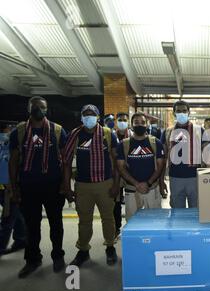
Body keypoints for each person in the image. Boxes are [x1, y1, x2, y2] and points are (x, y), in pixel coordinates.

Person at [9, 96, 67, 278]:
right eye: (35, 107)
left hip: (53, 186)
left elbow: (65, 160)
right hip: (28, 187)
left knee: (56, 223)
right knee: (31, 226)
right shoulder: (19, 132)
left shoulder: (57, 131)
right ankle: (32, 259)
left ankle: (58, 256)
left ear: (46, 109)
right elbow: (13, 162)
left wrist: (66, 184)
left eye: (42, 107)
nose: (38, 109)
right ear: (29, 109)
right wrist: (14, 188)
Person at [63, 104, 120, 267]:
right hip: (83, 185)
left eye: (92, 115)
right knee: (84, 220)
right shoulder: (75, 134)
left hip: (105, 183)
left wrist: (116, 184)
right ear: (81, 117)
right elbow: (66, 162)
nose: (89, 118)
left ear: (98, 117)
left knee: (108, 218)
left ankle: (110, 247)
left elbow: (116, 162)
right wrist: (67, 187)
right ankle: (83, 250)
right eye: (86, 115)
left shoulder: (108, 134)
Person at [117, 112, 165, 221]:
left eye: (143, 122)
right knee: (132, 222)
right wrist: (136, 184)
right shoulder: (123, 144)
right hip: (132, 189)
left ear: (147, 125)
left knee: (155, 220)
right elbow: (121, 168)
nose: (140, 125)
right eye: (136, 122)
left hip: (152, 188)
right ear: (131, 125)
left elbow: (160, 165)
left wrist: (148, 183)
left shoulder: (155, 142)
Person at [160, 100, 203, 208]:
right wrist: (161, 180)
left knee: (196, 210)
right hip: (175, 177)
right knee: (177, 212)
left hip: (195, 177)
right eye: (178, 111)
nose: (182, 113)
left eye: (184, 110)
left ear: (189, 112)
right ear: (174, 113)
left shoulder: (199, 130)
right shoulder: (168, 132)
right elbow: (163, 157)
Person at [0, 122, 27, 256]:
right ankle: (21, 239)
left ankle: (2, 245)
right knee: (15, 214)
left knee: (8, 216)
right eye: (10, 128)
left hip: (9, 187)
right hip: (8, 186)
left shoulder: (12, 145)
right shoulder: (7, 143)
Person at [113, 112, 133, 238]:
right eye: (120, 120)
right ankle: (116, 229)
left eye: (124, 120)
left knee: (132, 202)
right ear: (116, 121)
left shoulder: (133, 135)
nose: (122, 122)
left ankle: (131, 228)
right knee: (116, 202)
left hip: (130, 174)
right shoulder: (111, 135)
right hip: (115, 174)